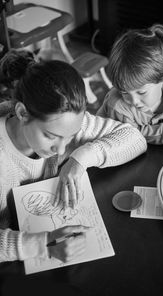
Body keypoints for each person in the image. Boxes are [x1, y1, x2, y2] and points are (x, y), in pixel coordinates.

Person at [0, 49, 147, 263]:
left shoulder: (64, 121)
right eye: (51, 136)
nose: (60, 150)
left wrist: (80, 158)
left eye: (69, 137)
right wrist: (42, 244)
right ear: (22, 113)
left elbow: (135, 138)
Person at [97, 23, 163, 148]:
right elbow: (131, 134)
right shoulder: (118, 106)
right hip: (108, 142)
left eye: (141, 92)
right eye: (124, 92)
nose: (133, 101)